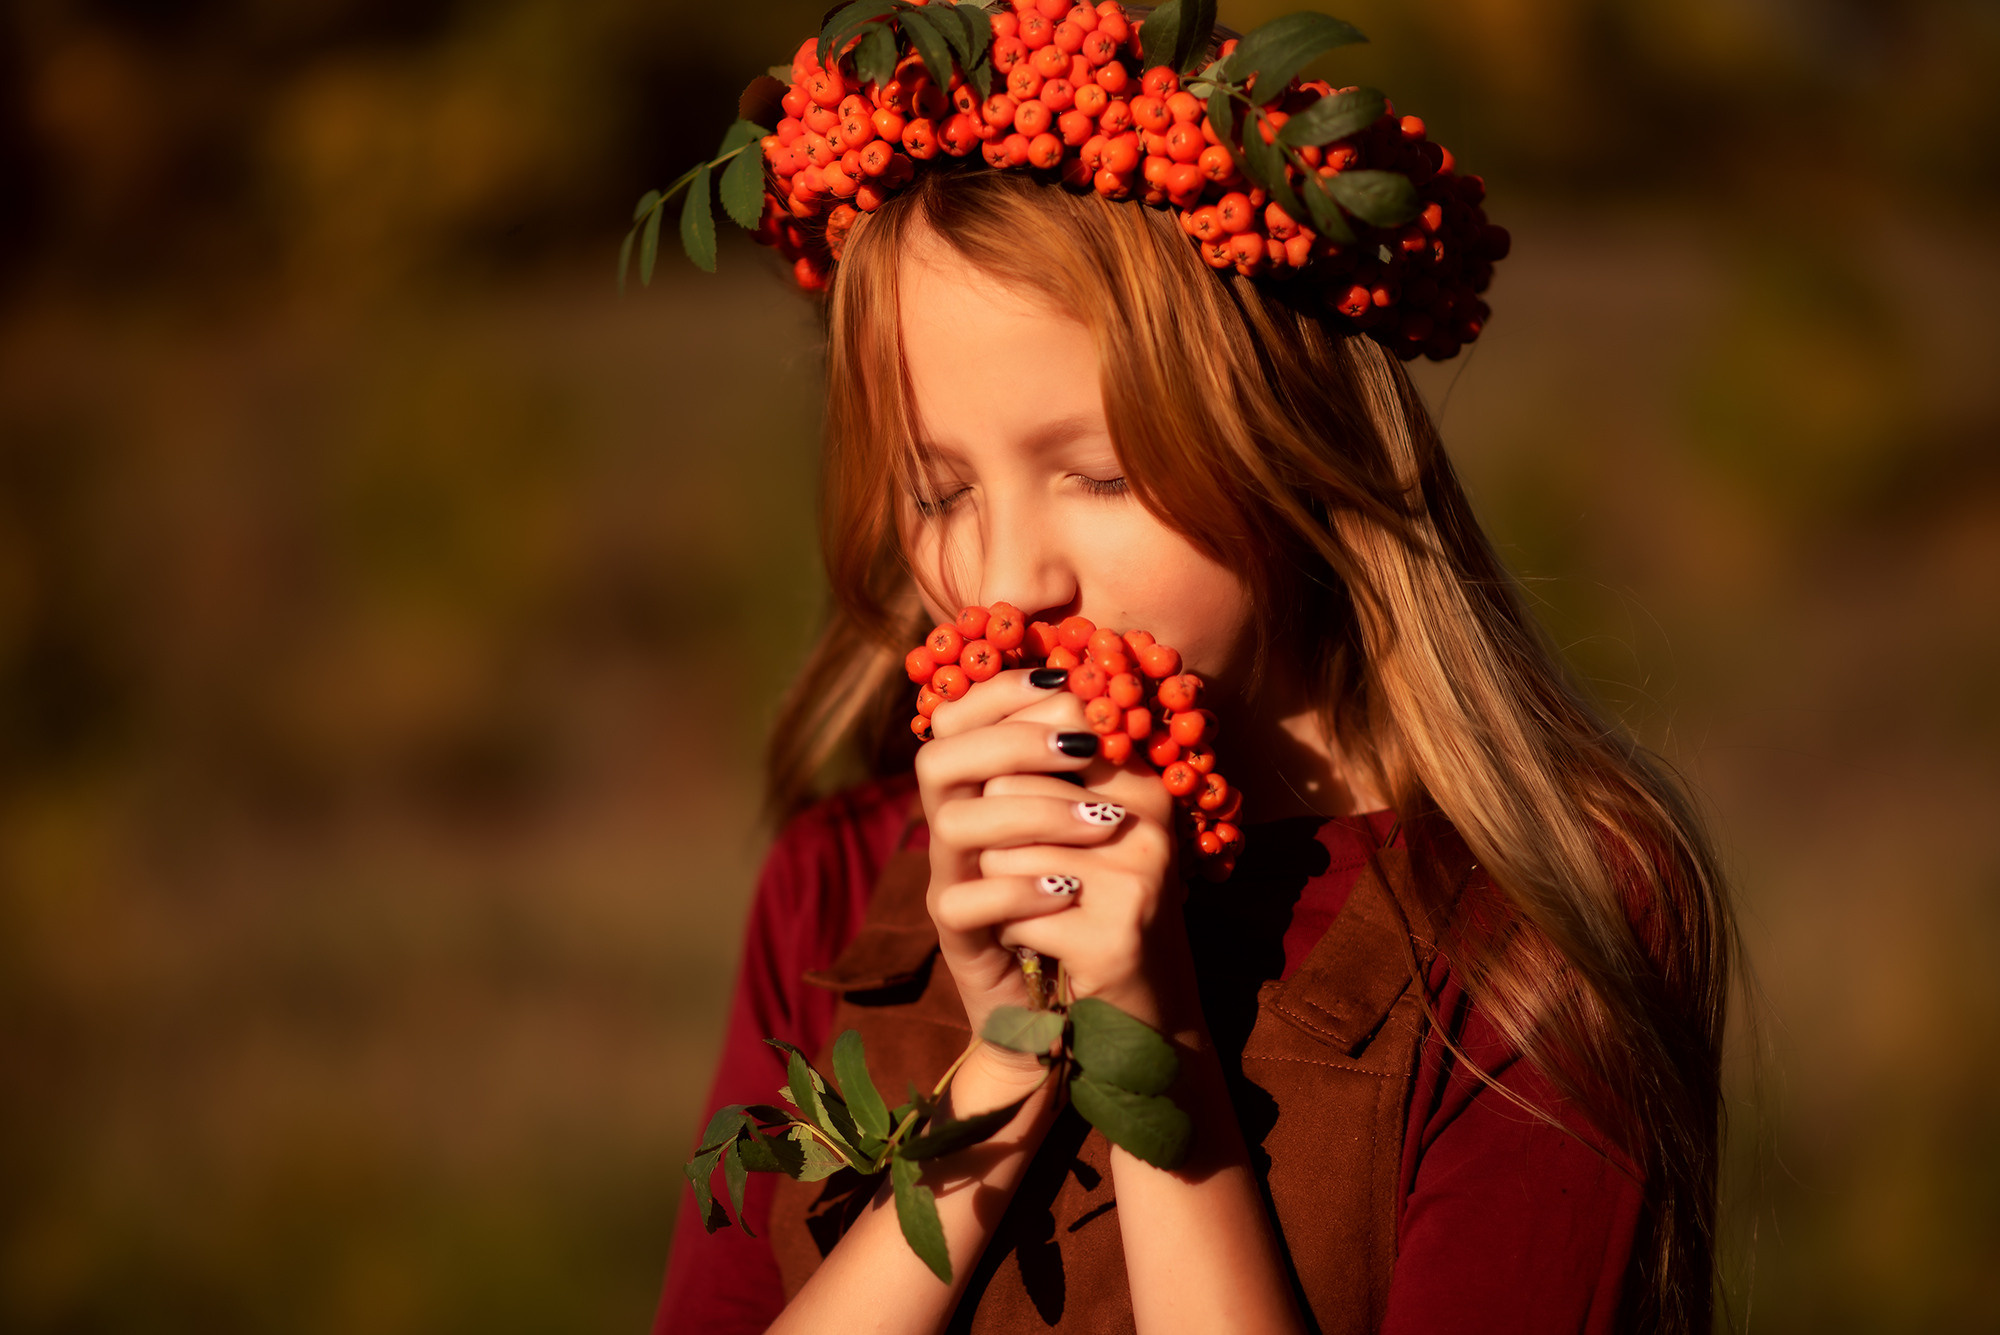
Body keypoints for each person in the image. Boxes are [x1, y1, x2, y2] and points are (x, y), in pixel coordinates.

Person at [649, 7, 1737, 1333]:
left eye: (1099, 476)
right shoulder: (829, 887)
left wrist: (1143, 1041)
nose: (1006, 582)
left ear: (1291, 441)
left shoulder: (1538, 920)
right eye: (936, 492)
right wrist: (1004, 1072)